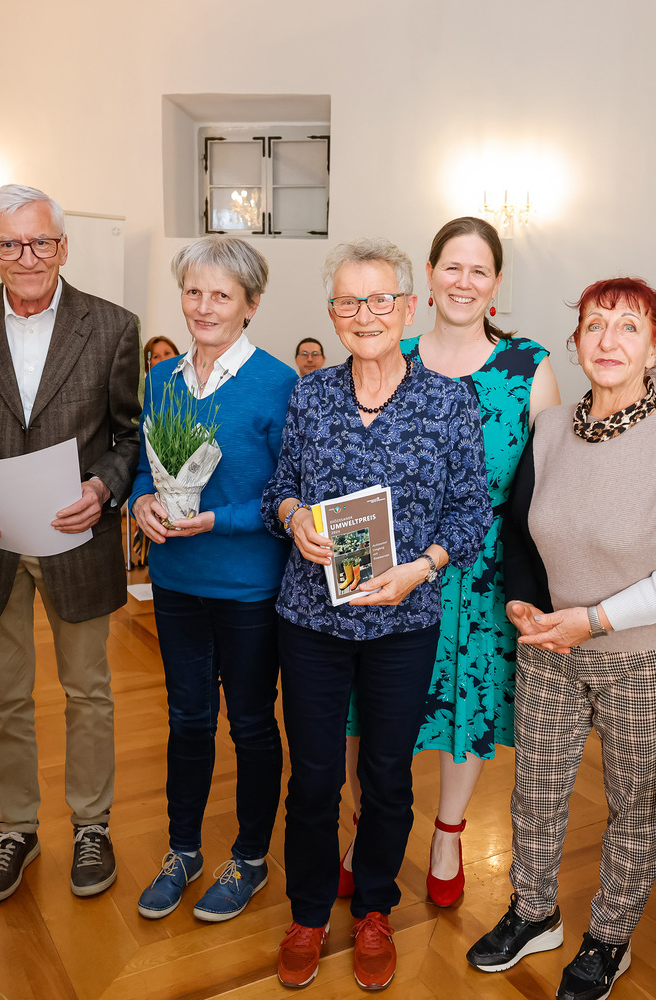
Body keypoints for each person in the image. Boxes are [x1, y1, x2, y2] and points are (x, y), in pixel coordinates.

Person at [465, 276, 656, 1000]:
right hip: (550, 645)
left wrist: (594, 620)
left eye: (629, 327)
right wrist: (522, 603)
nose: (609, 341)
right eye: (595, 326)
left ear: (655, 348)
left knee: (633, 803)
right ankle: (534, 912)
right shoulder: (550, 429)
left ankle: (611, 937)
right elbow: (519, 531)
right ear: (576, 342)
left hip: (643, 657)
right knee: (536, 789)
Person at [261, 238, 491, 991]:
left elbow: (470, 514)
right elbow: (278, 491)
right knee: (314, 778)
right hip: (310, 622)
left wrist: (421, 568)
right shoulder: (311, 395)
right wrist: (293, 517)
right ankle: (306, 913)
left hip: (404, 621)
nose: (366, 315)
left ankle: (374, 910)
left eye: (381, 299)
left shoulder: (449, 402)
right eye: (349, 302)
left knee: (388, 776)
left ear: (409, 307)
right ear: (333, 314)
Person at [0, 183, 140, 905]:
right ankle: (15, 828)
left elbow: (129, 435)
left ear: (63, 246)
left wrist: (104, 488)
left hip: (77, 540)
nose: (28, 256)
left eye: (42, 241)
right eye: (10, 244)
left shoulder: (113, 326)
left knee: (89, 693)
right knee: (5, 697)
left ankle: (92, 825)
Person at [339, 217, 560, 907]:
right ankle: (365, 830)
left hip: (482, 570)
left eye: (479, 270)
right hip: (391, 562)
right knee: (368, 708)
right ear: (428, 277)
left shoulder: (528, 365)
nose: (464, 282)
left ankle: (448, 834)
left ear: (496, 283)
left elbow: (546, 487)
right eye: (452, 267)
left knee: (467, 707)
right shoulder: (389, 347)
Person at [129, 236, 297, 922]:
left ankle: (250, 858)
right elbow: (144, 466)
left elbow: (290, 497)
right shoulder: (161, 379)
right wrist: (140, 499)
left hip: (249, 587)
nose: (203, 306)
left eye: (221, 295)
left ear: (250, 304)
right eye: (193, 291)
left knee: (252, 725)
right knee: (187, 720)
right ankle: (183, 850)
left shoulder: (280, 385)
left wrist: (218, 520)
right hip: (175, 580)